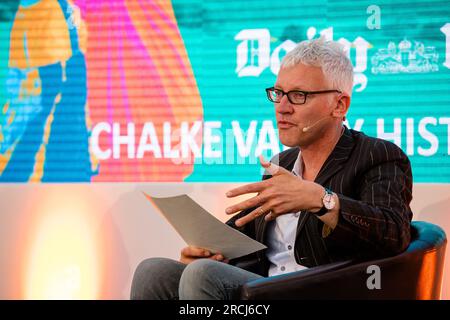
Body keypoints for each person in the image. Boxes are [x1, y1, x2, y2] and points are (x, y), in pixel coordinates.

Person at [130, 37, 413, 300]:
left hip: (324, 291)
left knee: (203, 276)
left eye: (299, 95)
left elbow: (394, 233)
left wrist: (320, 200)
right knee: (155, 272)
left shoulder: (378, 155)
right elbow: (249, 241)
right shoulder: (282, 163)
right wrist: (210, 252)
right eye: (278, 93)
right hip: (268, 292)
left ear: (339, 105)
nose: (282, 107)